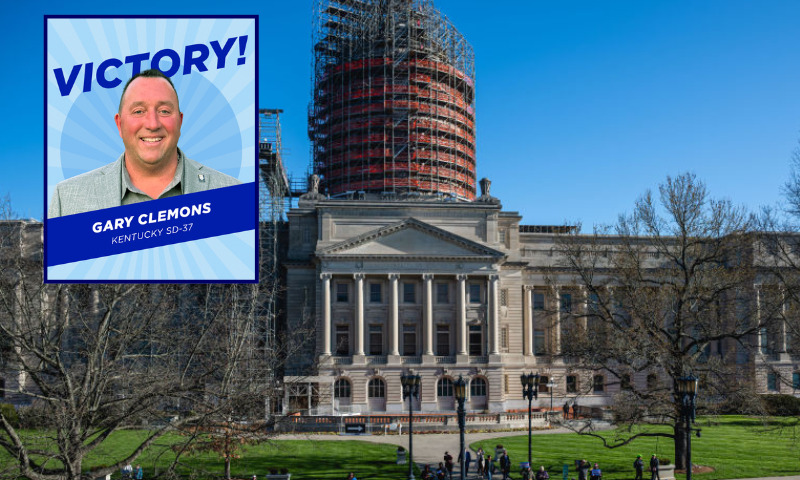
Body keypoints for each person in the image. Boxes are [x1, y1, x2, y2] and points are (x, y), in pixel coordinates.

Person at [48, 68, 241, 218]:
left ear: (180, 122)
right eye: (138, 111)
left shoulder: (232, 197)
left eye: (164, 111)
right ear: (119, 124)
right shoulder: (67, 201)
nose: (152, 124)